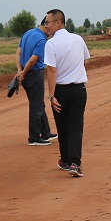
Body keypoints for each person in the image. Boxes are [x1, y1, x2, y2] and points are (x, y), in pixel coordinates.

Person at [44, 9, 90, 177]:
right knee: (76, 127)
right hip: (78, 89)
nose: (46, 26)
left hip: (61, 90)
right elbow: (85, 60)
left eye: (47, 22)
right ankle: (74, 163)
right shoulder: (78, 39)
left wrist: (51, 95)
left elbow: (51, 70)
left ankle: (65, 159)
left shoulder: (51, 44)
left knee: (62, 126)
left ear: (58, 23)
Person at [13, 18, 56, 146]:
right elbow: (32, 60)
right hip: (34, 74)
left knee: (38, 103)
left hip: (26, 74)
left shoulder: (28, 33)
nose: (51, 33)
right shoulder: (42, 40)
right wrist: (23, 73)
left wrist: (20, 70)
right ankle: (34, 138)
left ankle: (46, 132)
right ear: (45, 25)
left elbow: (18, 53)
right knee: (36, 106)